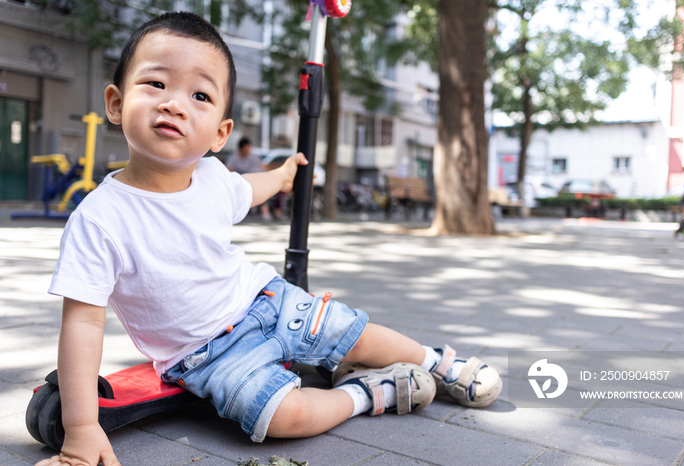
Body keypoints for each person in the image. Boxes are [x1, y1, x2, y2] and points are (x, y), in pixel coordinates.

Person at [36, 12, 501, 466]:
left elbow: (248, 189)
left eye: (199, 94)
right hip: (205, 357)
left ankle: (436, 361)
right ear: (115, 103)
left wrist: (280, 176)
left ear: (220, 133)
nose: (174, 103)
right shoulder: (100, 219)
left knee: (353, 331)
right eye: (156, 84)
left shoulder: (213, 177)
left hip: (267, 300)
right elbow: (83, 324)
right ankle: (367, 393)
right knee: (281, 418)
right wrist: (82, 429)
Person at [226, 137, 275, 220]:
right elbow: (229, 169)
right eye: (246, 148)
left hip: (257, 180)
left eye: (249, 148)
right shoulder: (234, 158)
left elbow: (263, 166)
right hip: (243, 181)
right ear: (241, 148)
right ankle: (264, 211)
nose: (248, 150)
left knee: (264, 186)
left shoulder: (253, 157)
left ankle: (267, 211)